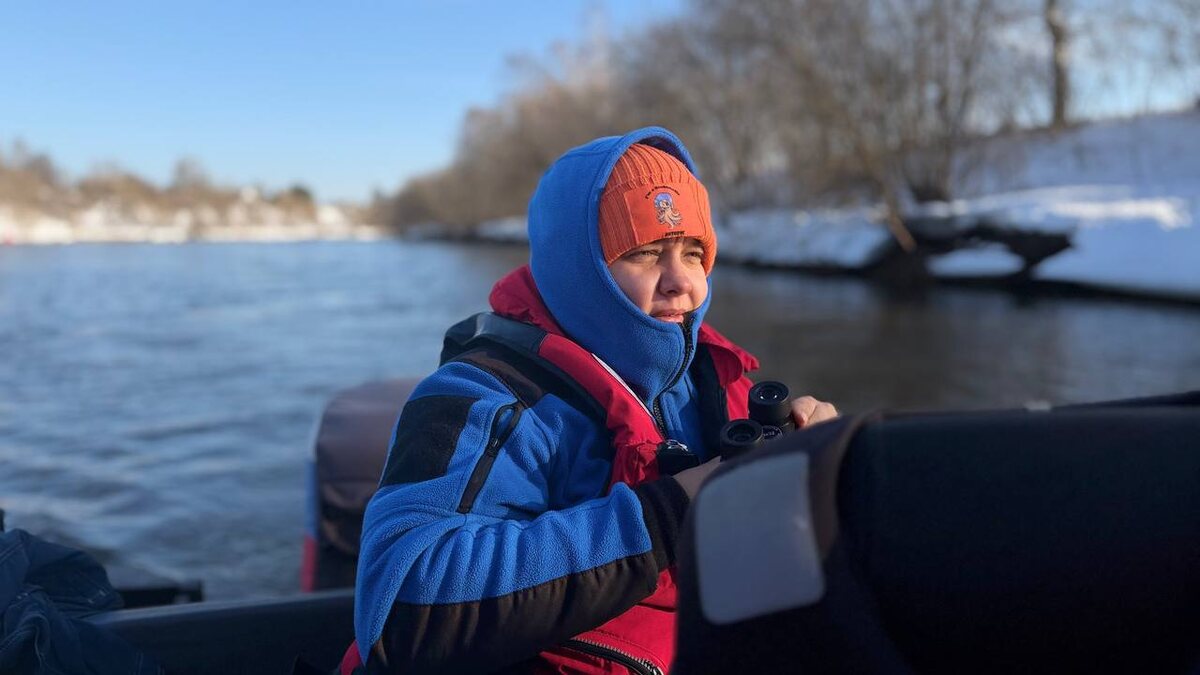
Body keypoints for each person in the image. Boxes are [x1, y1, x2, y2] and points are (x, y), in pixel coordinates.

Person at [348, 127, 837, 674]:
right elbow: (401, 608)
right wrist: (672, 511)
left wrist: (819, 461)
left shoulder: (716, 382)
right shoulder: (479, 398)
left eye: (693, 252)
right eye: (647, 252)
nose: (682, 283)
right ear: (578, 269)